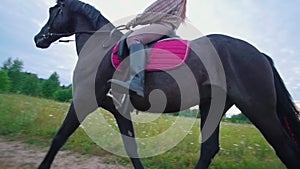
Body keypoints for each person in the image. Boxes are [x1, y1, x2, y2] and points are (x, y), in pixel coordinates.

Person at [109, 0, 187, 97]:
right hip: (164, 25)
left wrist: (135, 21)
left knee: (133, 38)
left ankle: (137, 81)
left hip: (163, 25)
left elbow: (154, 11)